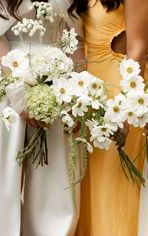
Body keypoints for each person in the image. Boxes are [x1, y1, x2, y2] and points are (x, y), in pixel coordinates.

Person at [0, 0, 85, 235]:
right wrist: (18, 94)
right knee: (6, 170)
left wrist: (78, 92)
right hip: (9, 75)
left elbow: (74, 36)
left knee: (54, 171)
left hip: (56, 79)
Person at [68, 0, 148, 235]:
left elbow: (138, 48)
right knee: (88, 187)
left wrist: (124, 109)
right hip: (89, 94)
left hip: (120, 90)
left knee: (114, 187)